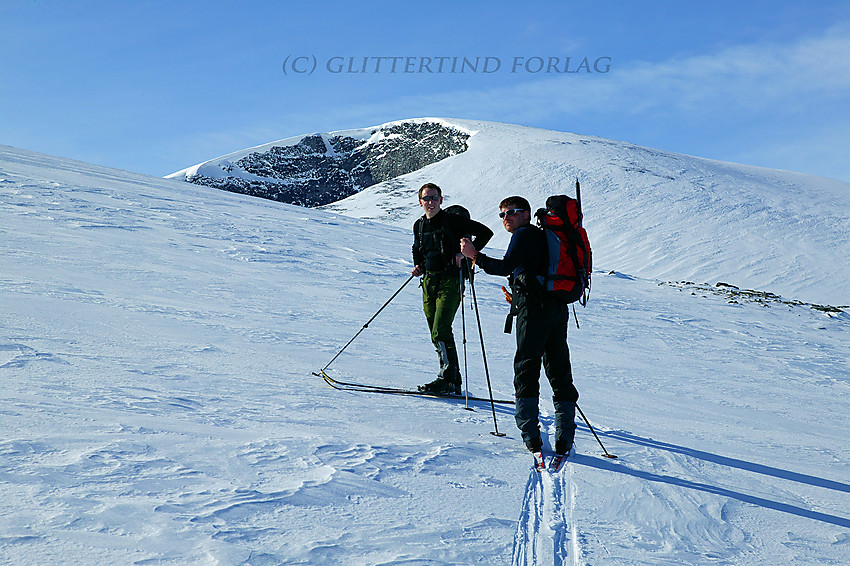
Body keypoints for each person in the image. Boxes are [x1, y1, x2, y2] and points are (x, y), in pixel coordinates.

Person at [460, 196, 579, 457]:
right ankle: (565, 437)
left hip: (534, 311)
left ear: (526, 213)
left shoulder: (524, 234)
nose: (506, 218)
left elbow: (504, 266)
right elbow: (539, 271)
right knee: (559, 368)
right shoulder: (543, 234)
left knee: (526, 367)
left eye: (512, 212)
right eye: (502, 214)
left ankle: (531, 437)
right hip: (557, 307)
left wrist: (474, 256)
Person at [412, 183, 493, 395]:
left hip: (451, 280)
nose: (430, 202)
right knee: (436, 332)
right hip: (429, 282)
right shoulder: (419, 225)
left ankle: (446, 379)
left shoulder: (453, 221)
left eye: (434, 198)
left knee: (440, 329)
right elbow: (417, 248)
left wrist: (467, 253)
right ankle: (452, 379)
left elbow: (485, 233)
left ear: (441, 200)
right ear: (420, 202)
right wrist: (418, 265)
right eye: (426, 198)